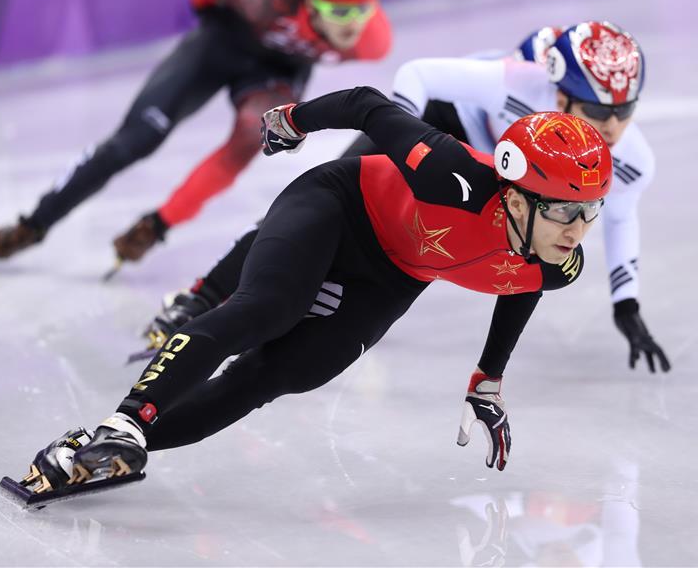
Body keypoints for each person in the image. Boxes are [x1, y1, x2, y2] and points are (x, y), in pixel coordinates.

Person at [13, 85, 611, 498]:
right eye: (565, 213)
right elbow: (368, 106)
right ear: (512, 196)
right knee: (268, 309)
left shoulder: (559, 260)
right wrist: (291, 122)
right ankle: (127, 420)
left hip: (393, 272)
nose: (578, 232)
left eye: (591, 212)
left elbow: (523, 284)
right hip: (338, 204)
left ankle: (105, 452)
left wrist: (489, 378)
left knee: (283, 374)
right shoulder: (448, 174)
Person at [148, 21, 671, 374]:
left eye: (626, 113)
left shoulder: (630, 158)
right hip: (444, 125)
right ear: (558, 96)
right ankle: (202, 295)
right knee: (317, 198)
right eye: (599, 114)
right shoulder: (515, 82)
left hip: (501, 176)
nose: (613, 129)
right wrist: (401, 142)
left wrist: (626, 305)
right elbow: (416, 75)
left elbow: (621, 216)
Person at [0, 0, 389, 265]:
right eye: (336, 13)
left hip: (276, 72)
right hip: (219, 46)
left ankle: (155, 226)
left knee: (254, 136)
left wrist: (159, 224)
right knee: (136, 140)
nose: (351, 26)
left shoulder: (373, 41)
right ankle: (34, 224)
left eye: (360, 11)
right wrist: (214, 20)